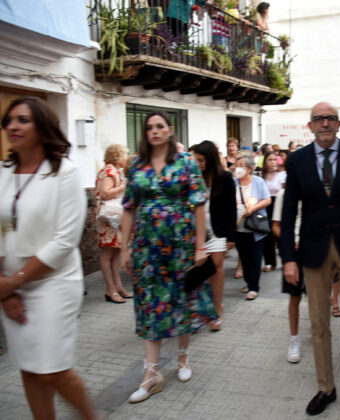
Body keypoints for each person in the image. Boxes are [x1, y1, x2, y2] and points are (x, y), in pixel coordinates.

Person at [280, 102, 340, 416]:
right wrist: (288, 258)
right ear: (310, 126)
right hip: (313, 249)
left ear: (338, 124)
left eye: (330, 118)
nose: (324, 123)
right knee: (319, 323)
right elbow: (288, 212)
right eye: (319, 119)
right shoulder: (297, 160)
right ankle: (326, 387)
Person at [0, 96, 96, 419]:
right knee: (29, 368)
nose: (13, 126)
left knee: (52, 369)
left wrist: (13, 282)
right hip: (10, 286)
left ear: (42, 128)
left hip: (54, 283)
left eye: (23, 120)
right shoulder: (3, 171)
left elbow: (64, 241)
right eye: (9, 120)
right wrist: (6, 290)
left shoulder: (65, 173)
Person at [120, 111, 216, 403]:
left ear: (170, 130)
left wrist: (200, 246)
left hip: (180, 244)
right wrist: (124, 247)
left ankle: (183, 358)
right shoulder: (137, 165)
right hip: (146, 247)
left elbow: (199, 204)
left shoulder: (186, 162)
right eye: (150, 127)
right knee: (150, 305)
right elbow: (128, 207)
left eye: (160, 126)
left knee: (182, 299)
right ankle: (151, 374)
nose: (155, 131)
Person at [192, 140, 237, 332]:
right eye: (196, 160)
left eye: (201, 160)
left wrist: (231, 236)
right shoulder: (193, 178)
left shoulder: (224, 177)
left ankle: (217, 310)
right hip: (198, 232)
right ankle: (199, 311)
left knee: (217, 269)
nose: (198, 164)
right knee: (198, 271)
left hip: (218, 230)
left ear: (210, 159)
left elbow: (231, 207)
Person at [272, 187, 305, 363]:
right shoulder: (284, 194)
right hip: (294, 253)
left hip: (315, 250)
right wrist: (290, 243)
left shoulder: (316, 188)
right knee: (294, 296)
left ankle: (320, 333)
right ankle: (294, 339)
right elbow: (276, 226)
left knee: (318, 297)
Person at [96, 144, 131, 304]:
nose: (126, 159)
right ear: (117, 157)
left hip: (113, 218)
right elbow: (104, 193)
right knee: (108, 253)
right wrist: (122, 186)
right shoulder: (109, 171)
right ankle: (110, 289)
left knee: (115, 253)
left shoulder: (113, 171)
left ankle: (118, 286)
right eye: (124, 155)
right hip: (108, 219)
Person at [233, 154, 271, 301]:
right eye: (237, 165)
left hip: (255, 227)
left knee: (255, 257)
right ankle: (249, 282)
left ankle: (254, 287)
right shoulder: (233, 182)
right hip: (238, 227)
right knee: (244, 257)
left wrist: (253, 208)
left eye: (241, 165)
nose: (238, 168)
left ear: (249, 168)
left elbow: (267, 200)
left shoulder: (258, 182)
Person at [261, 151, 286, 272]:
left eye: (274, 159)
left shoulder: (282, 175)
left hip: (279, 204)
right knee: (267, 234)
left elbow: (285, 192)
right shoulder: (261, 176)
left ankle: (286, 260)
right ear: (265, 162)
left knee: (279, 233)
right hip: (265, 205)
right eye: (270, 159)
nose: (273, 162)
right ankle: (270, 262)